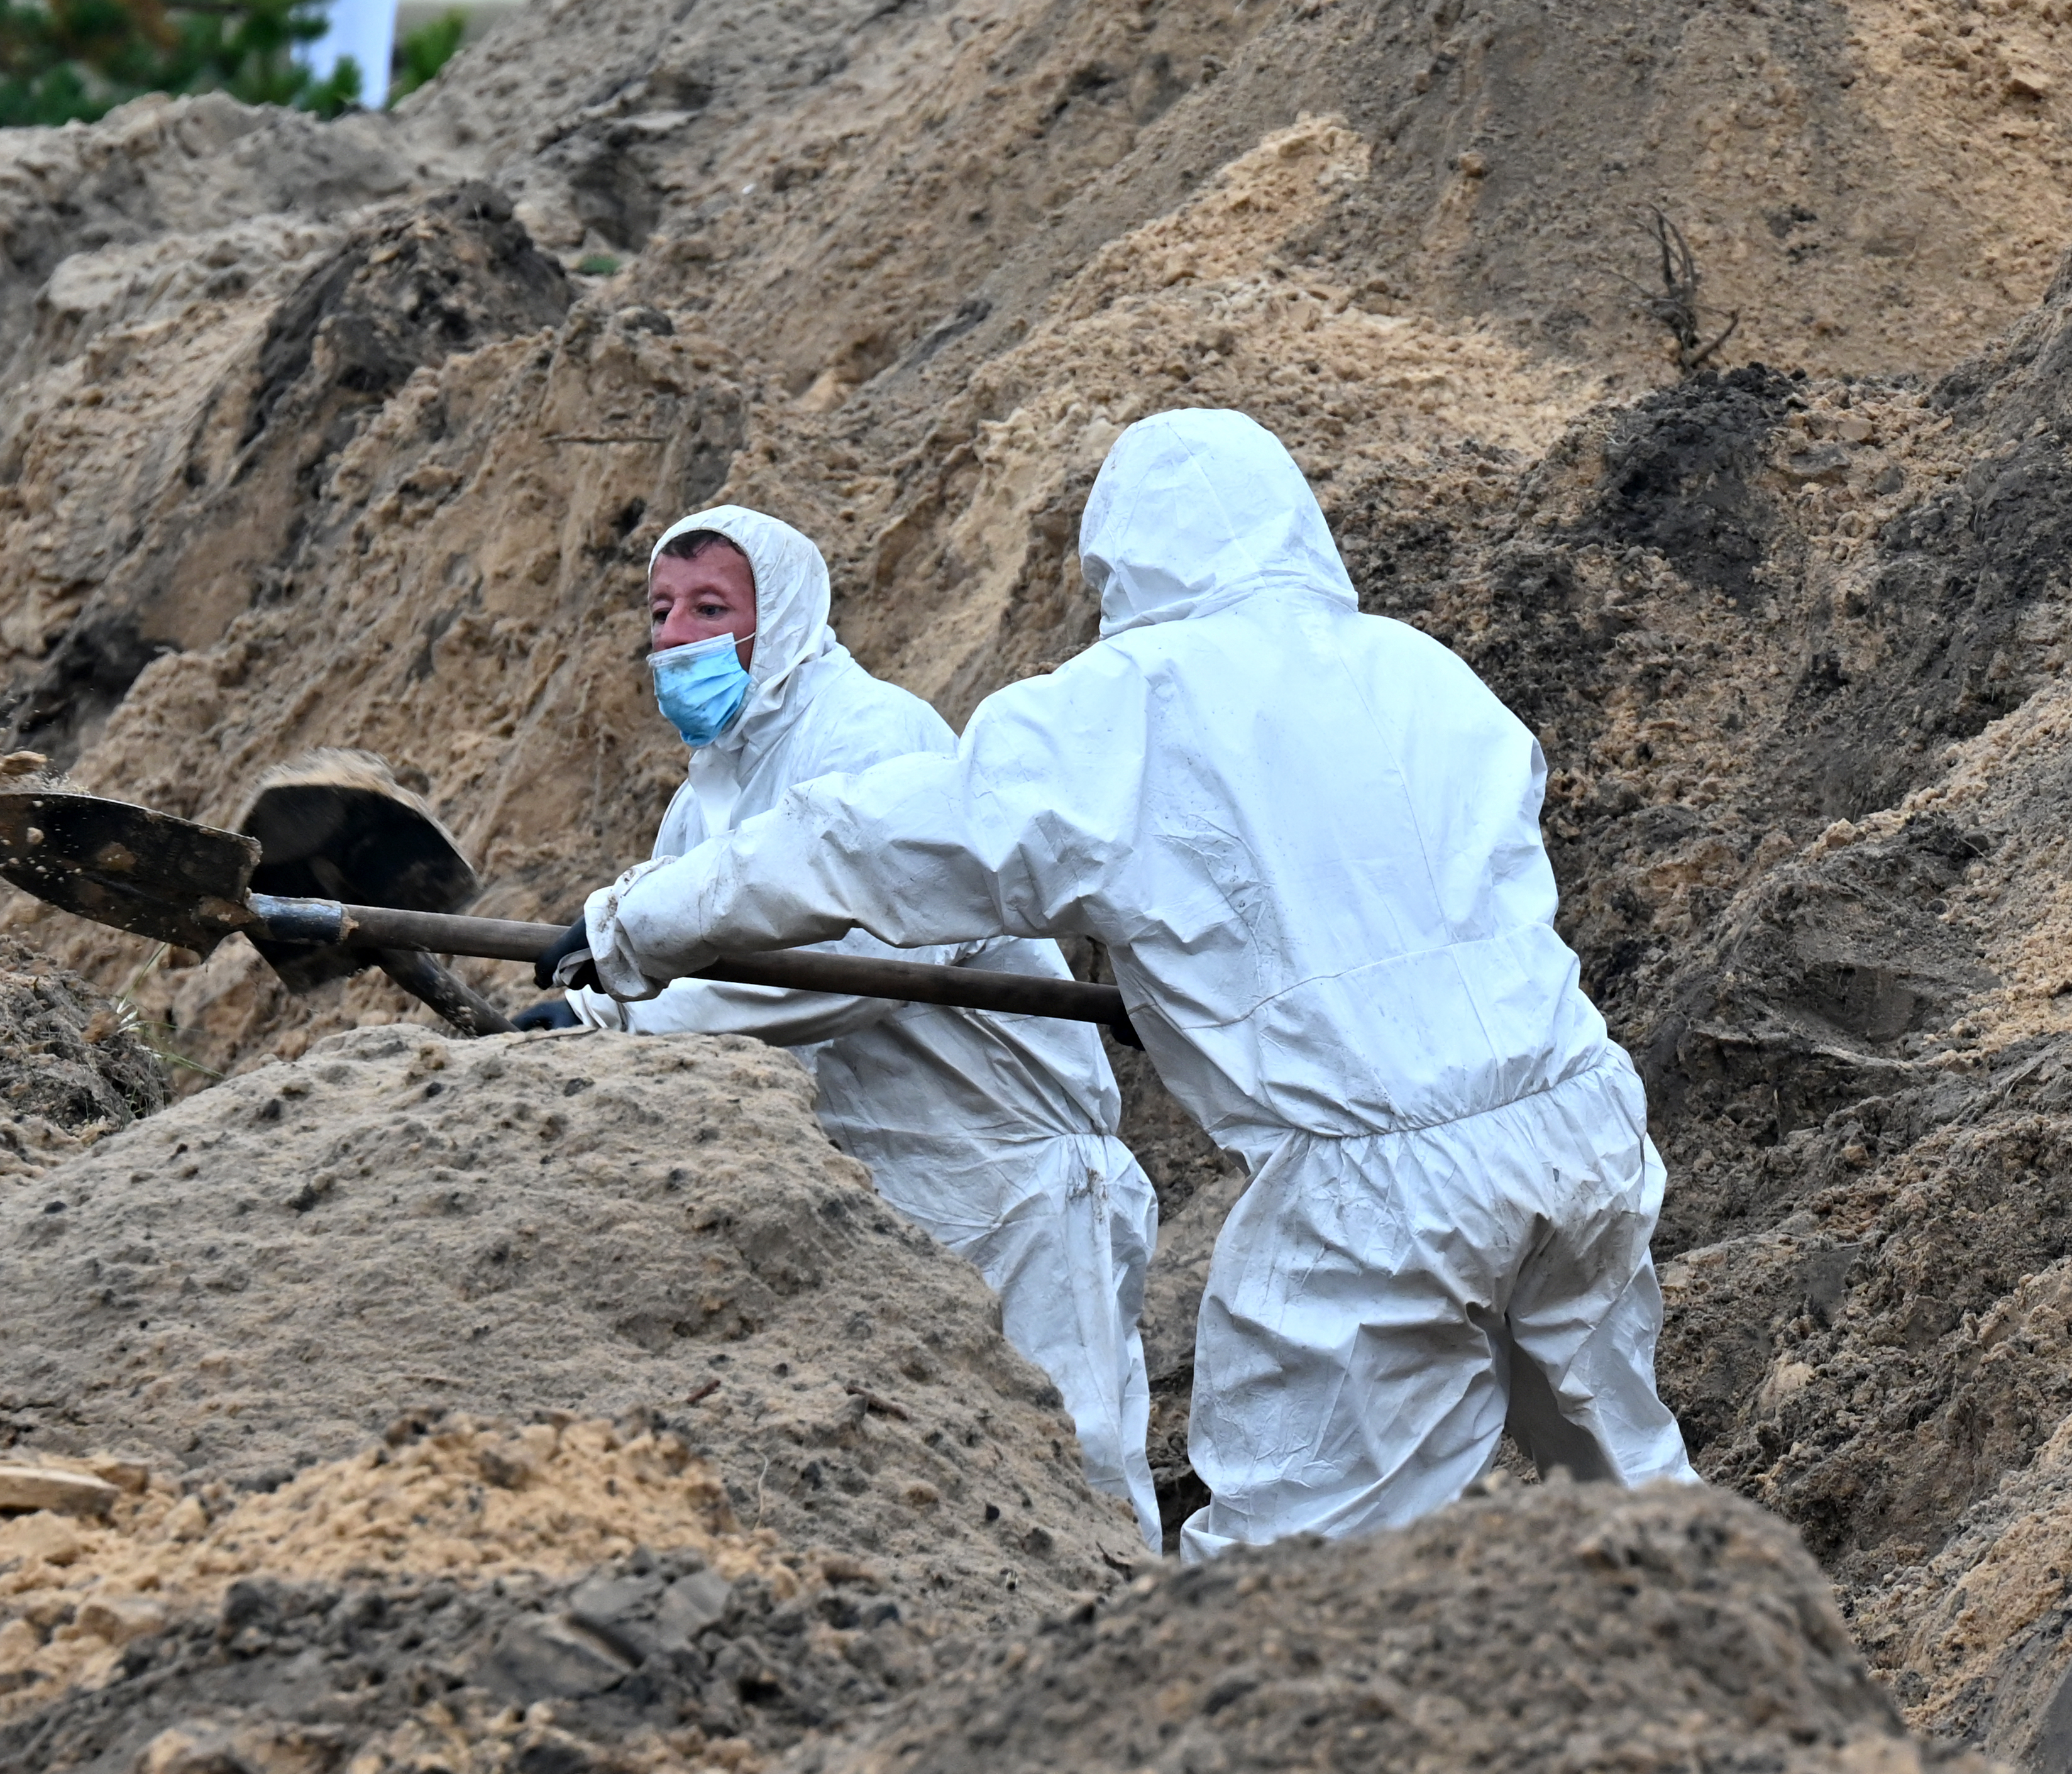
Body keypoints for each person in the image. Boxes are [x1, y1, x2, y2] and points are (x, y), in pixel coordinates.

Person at [566, 410, 1695, 1562]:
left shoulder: (1132, 704)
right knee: (1637, 1501)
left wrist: (632, 926)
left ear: (1124, 556)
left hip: (1379, 1191)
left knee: (1283, 1576)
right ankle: (1744, 1658)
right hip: (1581, 1129)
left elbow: (865, 849)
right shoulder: (1424, 670)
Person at [527, 505, 1164, 1546]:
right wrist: (596, 1006)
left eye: (710, 609)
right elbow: (688, 958)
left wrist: (625, 1022)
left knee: (1071, 1455)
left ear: (781, 617)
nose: (676, 636)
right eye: (660, 611)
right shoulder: (706, 798)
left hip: (1005, 1173)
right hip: (874, 1181)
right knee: (931, 1484)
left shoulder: (872, 733)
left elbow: (871, 964)